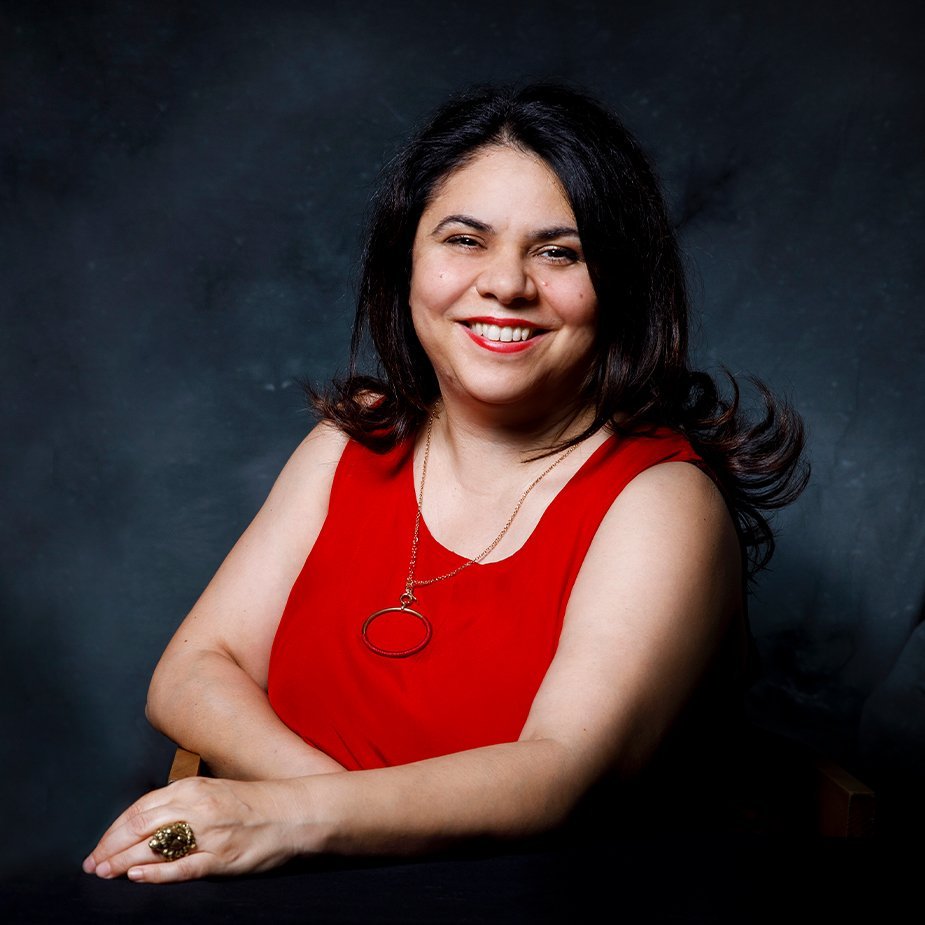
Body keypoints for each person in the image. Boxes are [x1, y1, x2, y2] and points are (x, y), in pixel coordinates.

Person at [84, 83, 806, 882]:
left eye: (558, 252)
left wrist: (287, 815)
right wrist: (315, 813)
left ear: (622, 283)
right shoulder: (349, 444)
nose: (505, 284)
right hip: (304, 883)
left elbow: (559, 772)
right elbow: (189, 673)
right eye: (464, 239)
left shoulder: (661, 501)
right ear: (406, 262)